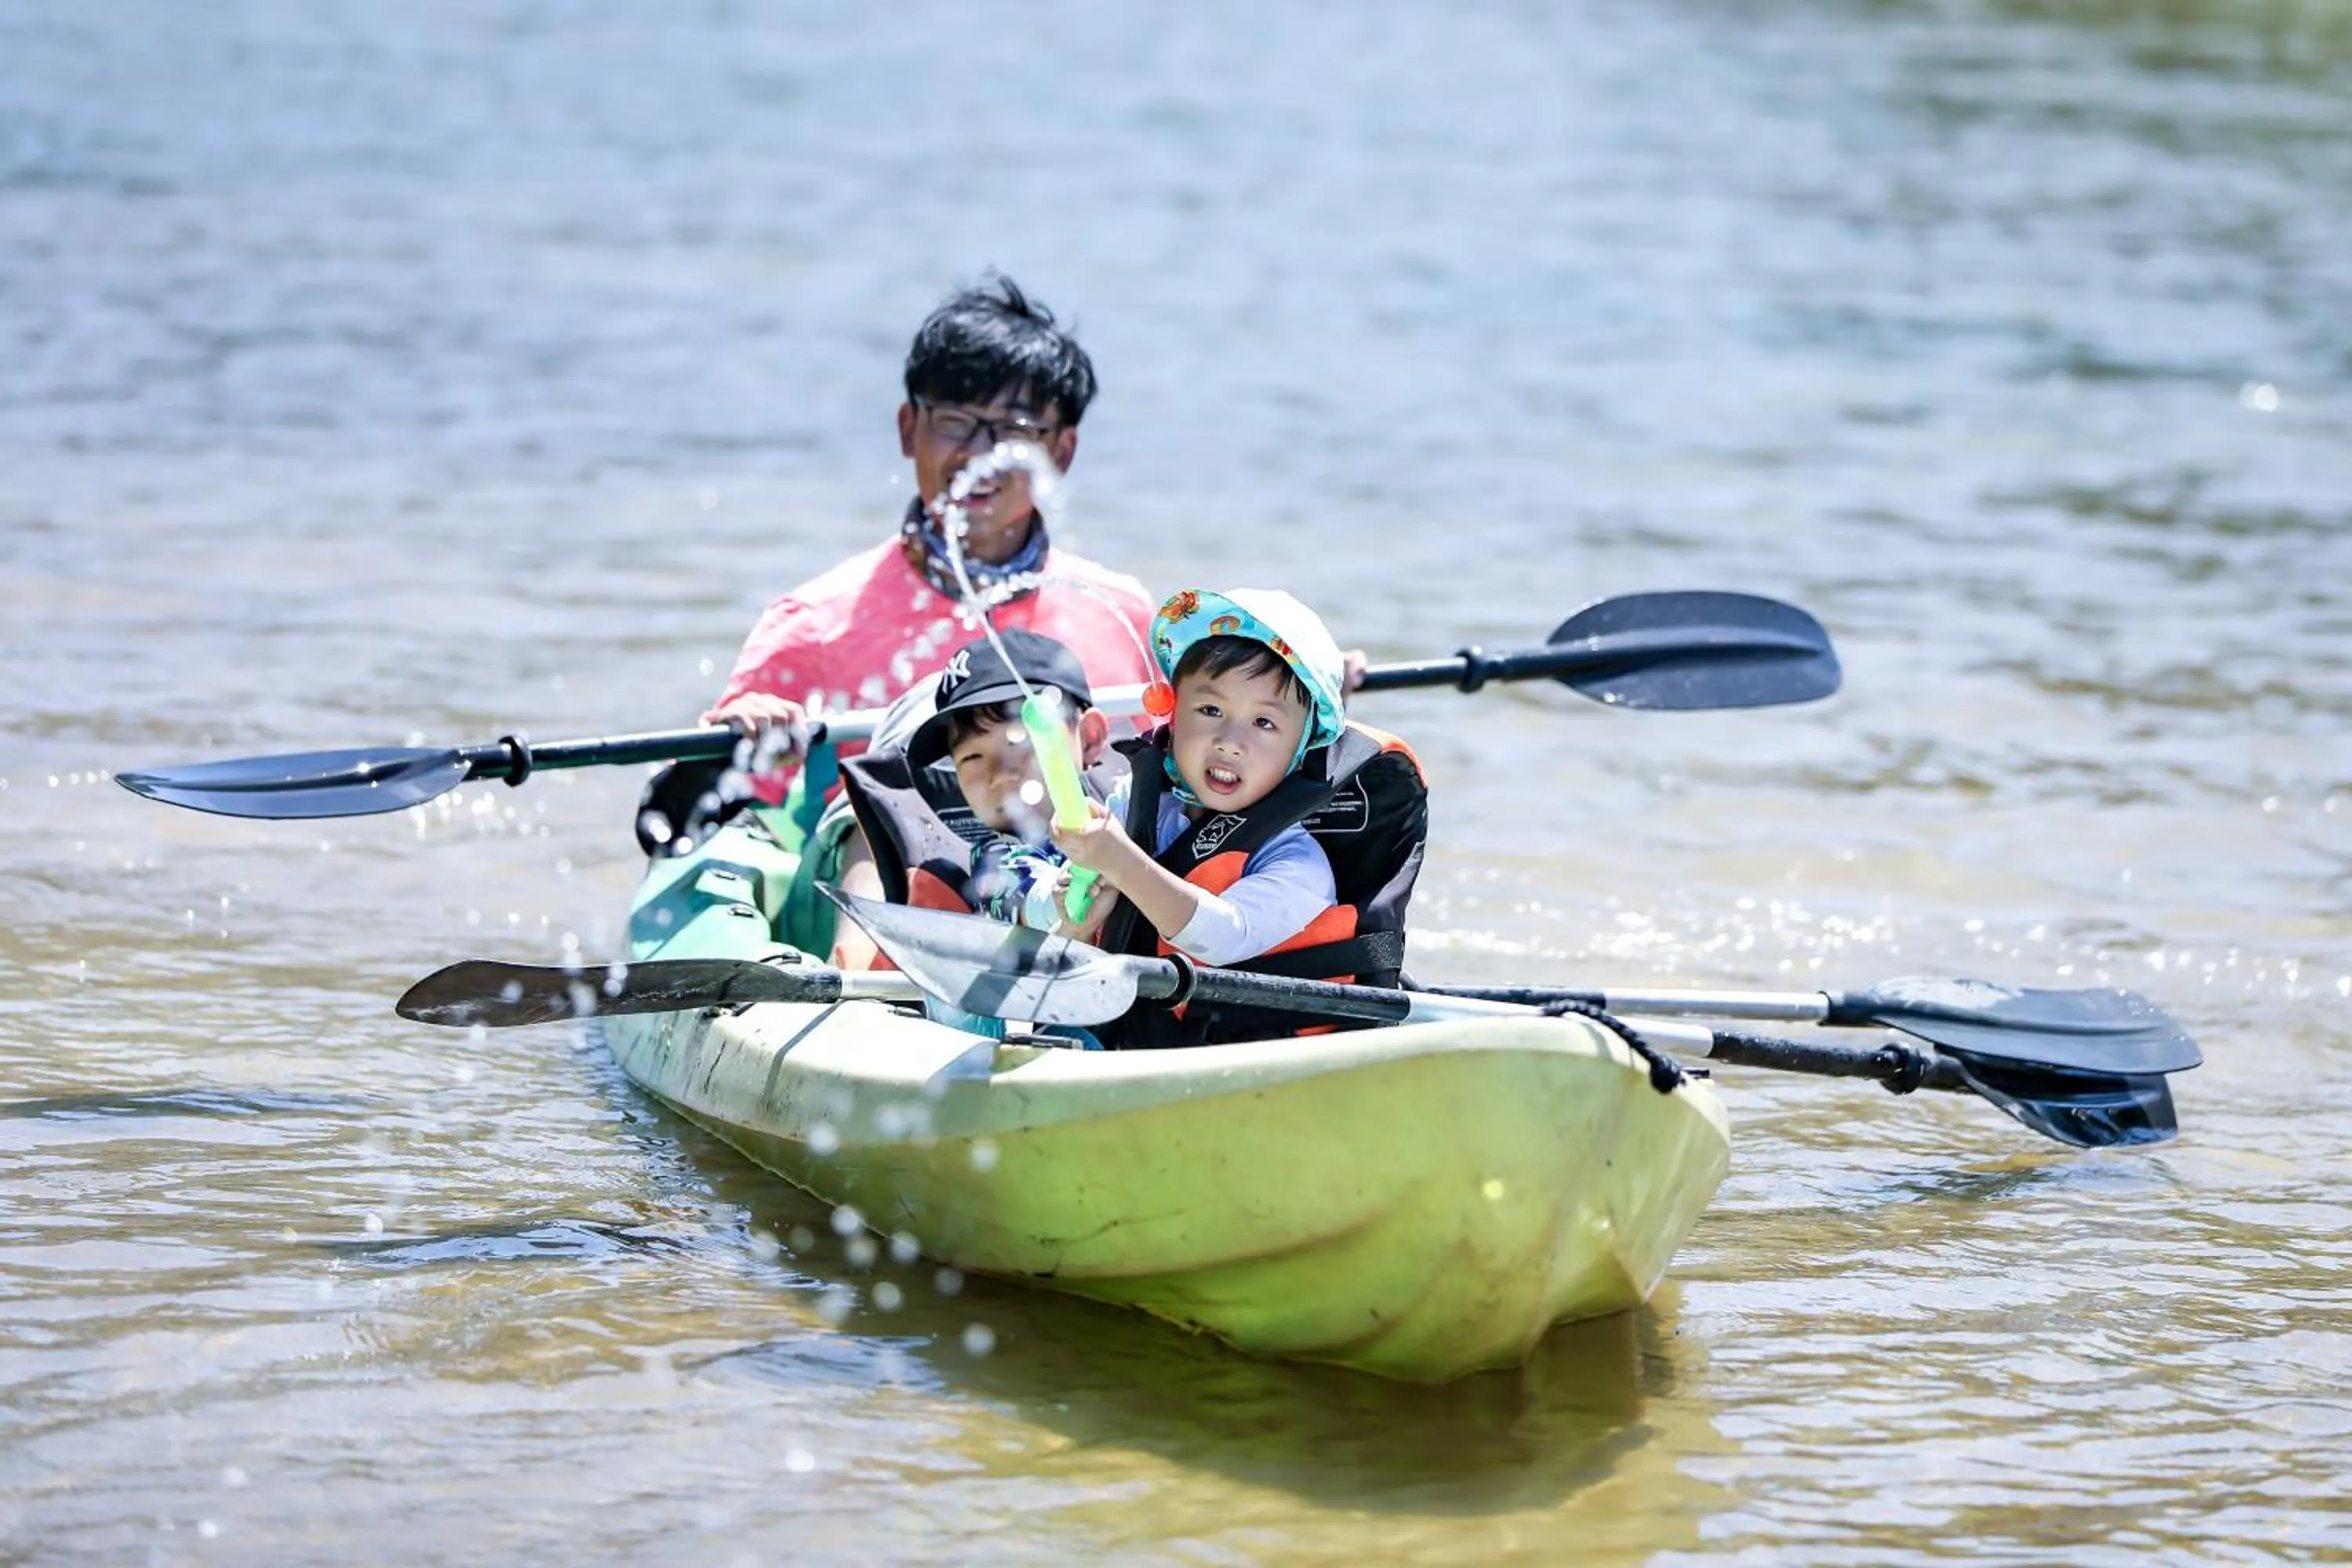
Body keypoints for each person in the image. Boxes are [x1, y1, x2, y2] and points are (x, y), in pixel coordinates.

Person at [702, 274, 1156, 794]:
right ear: (907, 428)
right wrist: (743, 725)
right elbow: (723, 805)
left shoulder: (1123, 614)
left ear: (1062, 452)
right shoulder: (811, 626)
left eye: (1015, 430)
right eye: (955, 421)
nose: (979, 454)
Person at [1052, 590, 1431, 1047]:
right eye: (1210, 710)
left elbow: (1221, 937)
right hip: (1130, 1036)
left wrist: (1121, 861)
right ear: (1172, 712)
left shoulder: (1298, 862)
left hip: (1256, 1061)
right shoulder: (1132, 808)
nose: (1230, 741)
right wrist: (1073, 924)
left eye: (1264, 723)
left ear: (1300, 750)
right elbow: (1064, 937)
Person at [834, 628, 1124, 1035]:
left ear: (1090, 739)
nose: (998, 776)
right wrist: (1061, 899)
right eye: (972, 756)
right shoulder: (997, 860)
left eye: (1018, 742)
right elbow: (1032, 896)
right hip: (1061, 1034)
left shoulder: (1133, 807)